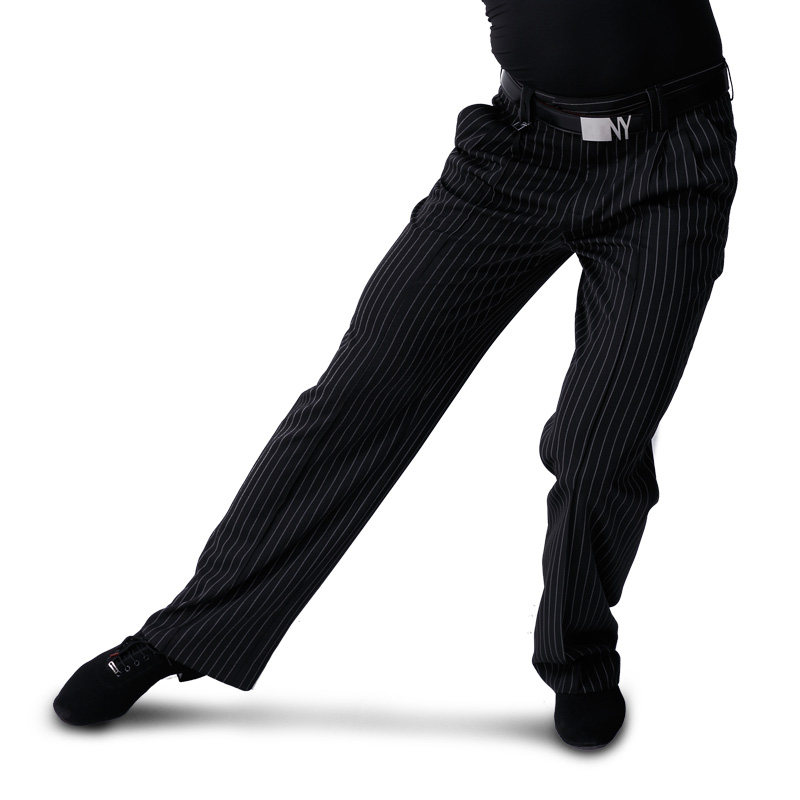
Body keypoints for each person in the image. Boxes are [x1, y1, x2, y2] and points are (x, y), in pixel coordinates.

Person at [53, 0, 738, 750]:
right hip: (517, 153)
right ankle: (185, 633)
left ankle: (580, 661)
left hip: (672, 162)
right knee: (361, 392)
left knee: (599, 443)